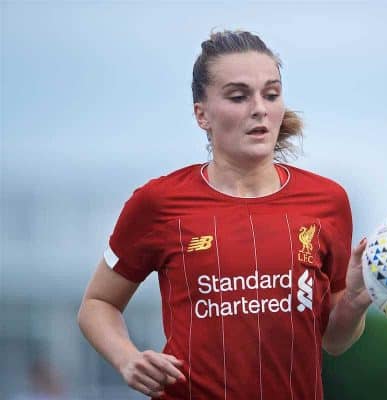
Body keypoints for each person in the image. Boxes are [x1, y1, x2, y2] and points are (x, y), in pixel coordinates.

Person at [77, 29, 372, 400]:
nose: (259, 108)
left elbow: (333, 340)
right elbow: (97, 304)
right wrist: (127, 359)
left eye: (271, 94)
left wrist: (356, 301)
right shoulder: (158, 202)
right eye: (238, 96)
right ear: (202, 115)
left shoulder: (327, 201)